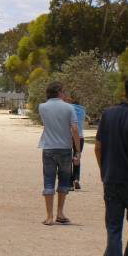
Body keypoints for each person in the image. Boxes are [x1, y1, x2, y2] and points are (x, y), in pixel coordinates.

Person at [95, 78, 128, 256]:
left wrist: (104, 172)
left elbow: (98, 147)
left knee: (114, 230)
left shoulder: (108, 114)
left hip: (112, 181)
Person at [38, 81, 81, 225]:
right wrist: (78, 151)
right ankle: (60, 213)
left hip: (48, 147)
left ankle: (49, 216)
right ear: (59, 92)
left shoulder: (42, 107)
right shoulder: (69, 108)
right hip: (65, 149)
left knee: (48, 180)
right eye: (63, 91)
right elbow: (75, 129)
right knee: (63, 180)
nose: (65, 93)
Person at [70, 95, 87, 190]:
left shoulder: (69, 109)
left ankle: (69, 182)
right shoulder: (83, 110)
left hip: (69, 137)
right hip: (80, 137)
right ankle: (76, 179)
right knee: (77, 157)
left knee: (68, 159)